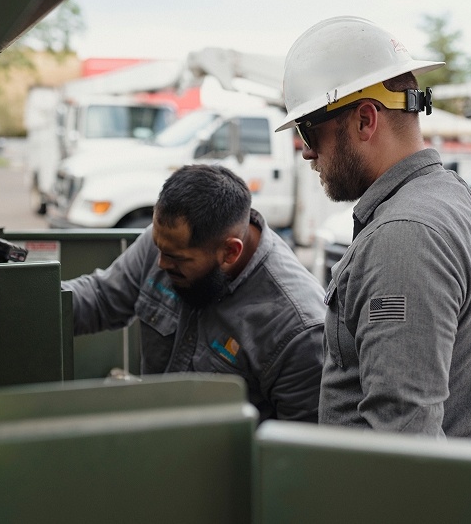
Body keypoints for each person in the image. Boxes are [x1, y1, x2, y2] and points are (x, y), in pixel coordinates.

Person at [276, 16, 471, 441]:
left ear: (366, 120)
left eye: (308, 131)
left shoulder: (404, 236)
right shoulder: (452, 200)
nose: (307, 153)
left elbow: (404, 442)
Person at [61, 163, 326, 422]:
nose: (161, 263)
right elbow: (100, 297)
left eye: (177, 258)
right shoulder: (168, 244)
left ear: (230, 252)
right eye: (158, 247)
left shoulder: (297, 329)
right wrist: (34, 298)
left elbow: (295, 454)